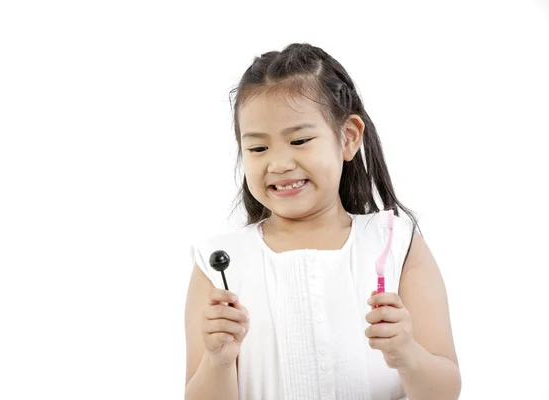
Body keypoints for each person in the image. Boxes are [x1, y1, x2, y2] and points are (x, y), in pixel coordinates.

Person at [184, 43, 461, 400]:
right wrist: (218, 360)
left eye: (299, 140)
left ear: (347, 138)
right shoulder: (218, 260)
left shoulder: (395, 242)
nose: (279, 163)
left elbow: (445, 391)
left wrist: (405, 353)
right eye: (257, 148)